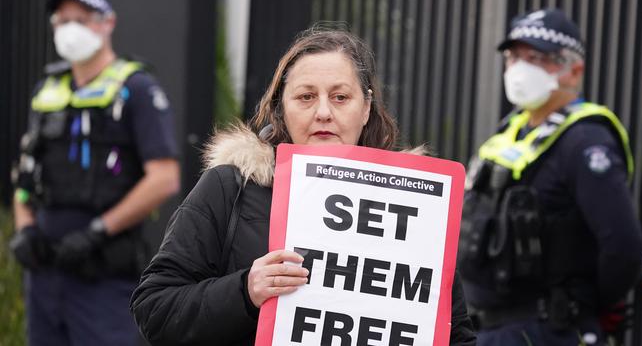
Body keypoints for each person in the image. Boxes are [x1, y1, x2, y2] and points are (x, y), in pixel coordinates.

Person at [130, 27, 476, 345]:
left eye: (340, 97)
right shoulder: (231, 187)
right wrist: (245, 290)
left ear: (366, 108)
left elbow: (454, 333)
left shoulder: (412, 207)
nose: (323, 112)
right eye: (306, 97)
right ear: (282, 109)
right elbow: (155, 308)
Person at [457, 8, 642, 345]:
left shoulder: (586, 139)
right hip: (486, 329)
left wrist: (583, 307)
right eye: (514, 56)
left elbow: (624, 247)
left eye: (537, 57)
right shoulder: (511, 130)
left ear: (574, 70)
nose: (519, 68)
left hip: (546, 329)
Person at [9, 0, 180, 345]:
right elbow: (25, 175)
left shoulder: (136, 89)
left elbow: (164, 178)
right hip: (45, 270)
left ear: (107, 22)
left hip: (102, 270)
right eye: (62, 19)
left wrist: (98, 231)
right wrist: (24, 228)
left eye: (82, 19)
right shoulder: (47, 91)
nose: (70, 28)